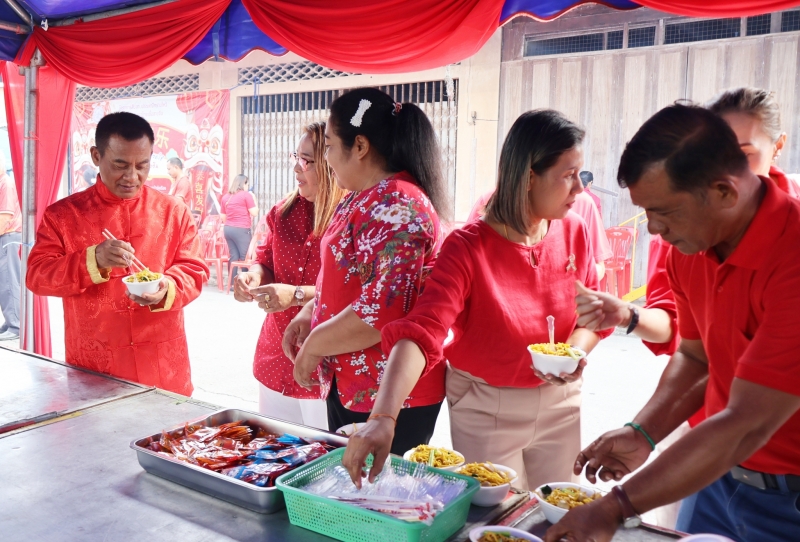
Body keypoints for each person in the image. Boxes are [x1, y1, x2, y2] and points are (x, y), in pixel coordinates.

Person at [546, 104, 800, 542]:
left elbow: (746, 423)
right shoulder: (690, 250)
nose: (653, 228)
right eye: (646, 211)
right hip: (714, 478)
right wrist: (643, 432)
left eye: (664, 211)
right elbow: (696, 358)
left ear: (724, 192)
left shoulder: (792, 257)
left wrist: (616, 506)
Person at [343, 110, 609, 491]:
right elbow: (422, 332)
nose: (580, 189)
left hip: (560, 402)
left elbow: (592, 317)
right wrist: (384, 417)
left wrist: (572, 354)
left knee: (558, 507)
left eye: (580, 175)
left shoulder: (575, 231)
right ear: (528, 177)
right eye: (568, 175)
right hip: (487, 408)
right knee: (499, 513)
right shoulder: (467, 247)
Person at [284, 87, 450, 452]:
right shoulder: (362, 196)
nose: (326, 158)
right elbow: (348, 276)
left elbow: (382, 312)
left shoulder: (397, 203)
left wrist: (314, 345)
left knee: (372, 486)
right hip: (354, 383)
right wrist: (311, 311)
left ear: (359, 146)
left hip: (388, 394)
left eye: (329, 146)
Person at [26, 112, 208, 395]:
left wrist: (167, 287)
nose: (132, 176)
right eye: (120, 165)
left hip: (163, 367)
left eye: (142, 165)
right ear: (96, 156)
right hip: (95, 366)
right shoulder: (63, 216)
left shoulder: (173, 211)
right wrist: (92, 260)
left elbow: (194, 269)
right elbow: (37, 276)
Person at [233, 122, 345, 429]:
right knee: (274, 446)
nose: (297, 168)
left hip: (323, 361)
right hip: (275, 355)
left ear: (331, 164)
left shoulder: (349, 218)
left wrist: (295, 295)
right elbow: (264, 259)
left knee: (321, 451)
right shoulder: (283, 211)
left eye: (307, 160)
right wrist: (255, 276)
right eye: (296, 157)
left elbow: (353, 292)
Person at [468, 188, 611, 280]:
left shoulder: (583, 206)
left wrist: (569, 281)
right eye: (567, 174)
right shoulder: (488, 200)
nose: (579, 186)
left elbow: (599, 267)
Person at [220, 174, 258, 281]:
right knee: (246, 257)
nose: (247, 187)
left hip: (228, 229)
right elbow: (254, 212)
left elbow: (223, 217)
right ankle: (245, 282)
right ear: (243, 184)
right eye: (247, 184)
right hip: (241, 230)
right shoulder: (246, 195)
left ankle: (232, 283)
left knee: (234, 256)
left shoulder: (226, 197)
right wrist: (254, 198)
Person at [0, 155, 21, 341]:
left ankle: (15, 325)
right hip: (8, 236)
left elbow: (5, 217)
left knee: (9, 281)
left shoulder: (5, 183)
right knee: (6, 281)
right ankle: (11, 321)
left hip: (9, 236)